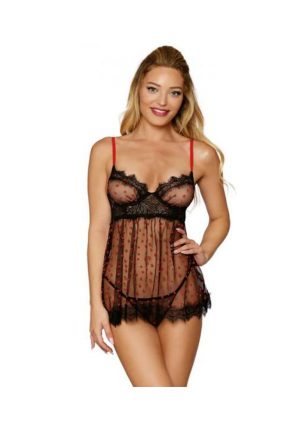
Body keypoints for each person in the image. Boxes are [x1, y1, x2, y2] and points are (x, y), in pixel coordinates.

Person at [87, 45, 231, 387]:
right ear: (138, 87)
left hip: (181, 291)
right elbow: (98, 229)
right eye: (153, 89)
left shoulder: (200, 155)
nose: (162, 101)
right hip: (121, 292)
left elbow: (221, 218)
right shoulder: (106, 151)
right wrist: (95, 304)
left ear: (184, 98)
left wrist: (205, 250)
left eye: (174, 92)